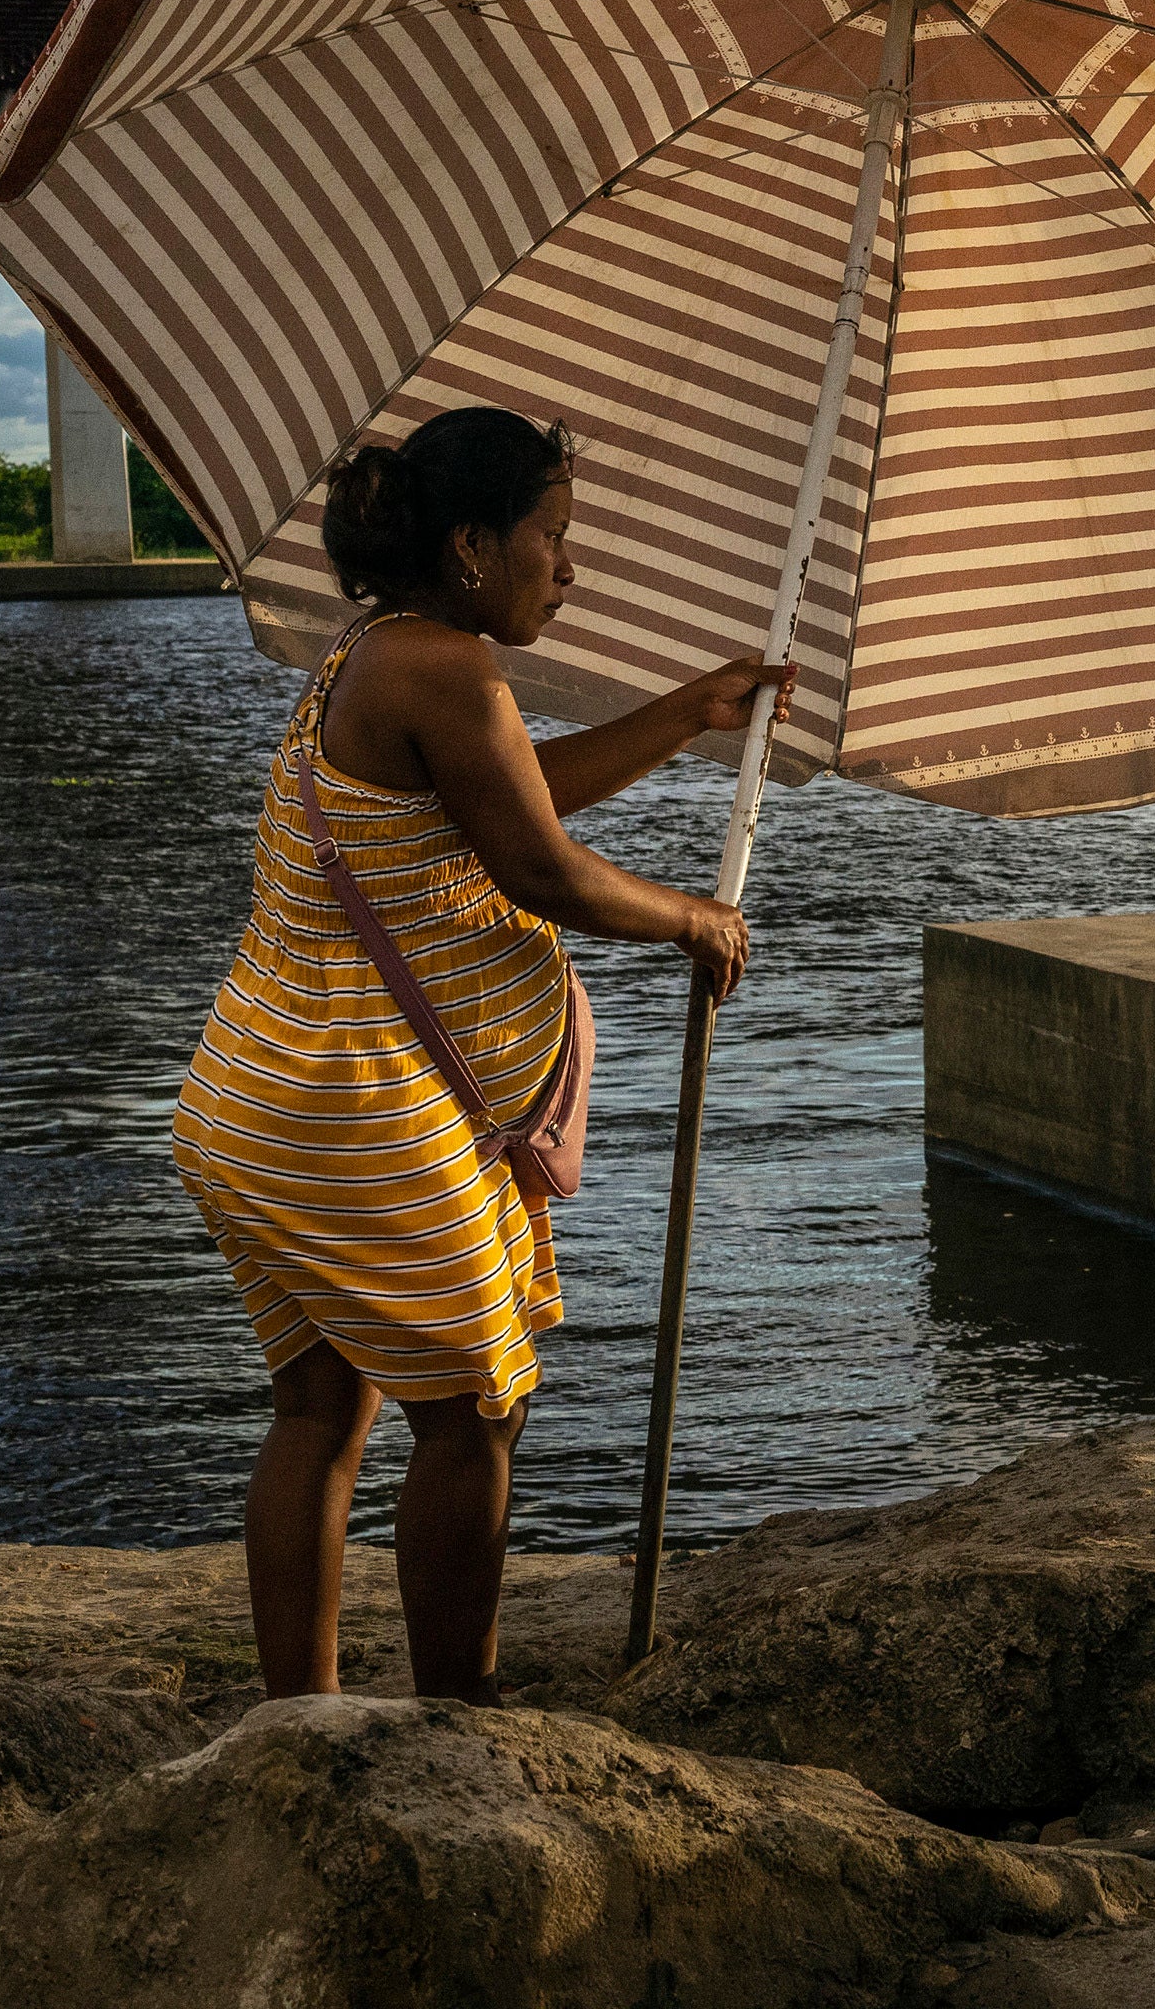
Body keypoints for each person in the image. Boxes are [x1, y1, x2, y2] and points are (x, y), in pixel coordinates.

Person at [178, 408, 773, 1701]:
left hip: (257, 1094)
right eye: (551, 536)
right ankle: (457, 1715)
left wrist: (685, 714)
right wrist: (694, 919)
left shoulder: (377, 652)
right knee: (477, 1411)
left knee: (320, 1409)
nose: (570, 567)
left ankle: (301, 1720)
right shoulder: (448, 669)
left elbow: (509, 789)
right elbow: (538, 866)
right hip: (357, 1114)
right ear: (470, 545)